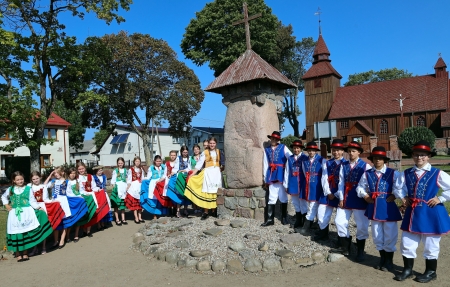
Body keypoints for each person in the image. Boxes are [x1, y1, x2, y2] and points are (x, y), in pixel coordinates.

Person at [394, 141, 450, 283]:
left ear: (428, 156)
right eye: (416, 155)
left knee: (431, 243)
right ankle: (408, 270)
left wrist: (441, 198)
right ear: (412, 156)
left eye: (423, 155)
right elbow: (397, 187)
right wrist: (403, 196)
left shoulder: (437, 173)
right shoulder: (406, 173)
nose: (419, 157)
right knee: (407, 241)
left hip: (430, 213)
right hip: (412, 212)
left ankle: (431, 272)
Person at [356, 146, 403, 272]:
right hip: (374, 206)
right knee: (377, 234)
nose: (377, 160)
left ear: (384, 160)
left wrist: (395, 195)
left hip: (388, 208)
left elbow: (401, 187)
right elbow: (360, 187)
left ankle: (389, 261)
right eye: (375, 158)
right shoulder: (367, 174)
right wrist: (365, 196)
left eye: (380, 158)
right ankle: (382, 258)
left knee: (390, 233)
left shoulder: (393, 173)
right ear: (372, 160)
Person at [331, 141, 371, 261]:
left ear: (359, 152)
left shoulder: (365, 166)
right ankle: (345, 246)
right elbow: (341, 182)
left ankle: (360, 251)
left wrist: (367, 196)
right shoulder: (344, 166)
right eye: (349, 151)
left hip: (359, 199)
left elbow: (369, 183)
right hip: (347, 197)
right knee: (339, 221)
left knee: (362, 226)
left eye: (353, 151)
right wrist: (341, 198)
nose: (351, 153)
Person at [2, 171, 53, 262]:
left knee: (26, 231)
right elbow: (3, 197)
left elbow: (32, 201)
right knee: (16, 232)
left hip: (26, 212)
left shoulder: (28, 189)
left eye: (21, 179)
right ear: (14, 180)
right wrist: (6, 205)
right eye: (18, 180)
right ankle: (18, 253)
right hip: (14, 214)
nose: (20, 181)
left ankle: (25, 252)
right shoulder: (10, 189)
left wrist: (38, 207)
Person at [45, 167, 88, 248]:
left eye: (57, 173)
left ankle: (62, 239)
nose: (56, 175)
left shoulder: (66, 182)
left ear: (62, 172)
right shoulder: (53, 181)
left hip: (63, 201)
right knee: (57, 221)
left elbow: (69, 193)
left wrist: (79, 197)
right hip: (55, 202)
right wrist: (51, 200)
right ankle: (55, 241)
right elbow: (47, 189)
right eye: (55, 173)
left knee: (65, 221)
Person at [185, 137, 225, 220]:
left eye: (213, 143)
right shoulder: (205, 152)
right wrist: (192, 174)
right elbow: (199, 165)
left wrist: (221, 168)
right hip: (208, 173)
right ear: (208, 144)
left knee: (215, 192)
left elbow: (222, 163)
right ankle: (206, 212)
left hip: (217, 174)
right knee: (207, 192)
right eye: (210, 143)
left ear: (216, 144)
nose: (212, 145)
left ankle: (214, 210)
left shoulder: (219, 152)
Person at [315, 139, 347, 241]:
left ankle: (341, 238)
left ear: (342, 151)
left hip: (340, 193)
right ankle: (323, 233)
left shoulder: (346, 164)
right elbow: (324, 178)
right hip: (327, 191)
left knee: (340, 218)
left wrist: (337, 194)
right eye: (334, 150)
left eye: (338, 150)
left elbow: (345, 182)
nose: (335, 152)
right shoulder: (327, 163)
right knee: (321, 213)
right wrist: (328, 192)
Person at [28, 171, 64, 255]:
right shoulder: (29, 187)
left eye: (37, 178)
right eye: (34, 179)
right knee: (35, 229)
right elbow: (30, 200)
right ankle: (35, 248)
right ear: (31, 180)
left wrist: (54, 201)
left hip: (43, 208)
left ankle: (44, 247)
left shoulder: (43, 187)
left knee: (43, 227)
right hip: (33, 209)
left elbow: (46, 199)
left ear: (40, 178)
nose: (36, 180)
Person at [262, 131, 292, 227]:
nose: (273, 140)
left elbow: (291, 158)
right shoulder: (267, 150)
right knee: (272, 197)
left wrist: (289, 171)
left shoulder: (283, 147)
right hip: (271, 175)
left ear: (278, 140)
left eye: (275, 139)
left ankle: (284, 217)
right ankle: (270, 219)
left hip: (281, 174)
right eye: (272, 139)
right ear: (270, 139)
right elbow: (265, 164)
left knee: (283, 196)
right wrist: (265, 178)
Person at [297, 141, 326, 236]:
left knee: (313, 205)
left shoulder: (322, 160)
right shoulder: (304, 161)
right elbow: (305, 173)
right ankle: (315, 225)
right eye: (309, 150)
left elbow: (325, 174)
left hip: (317, 185)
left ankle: (306, 228)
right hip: (308, 185)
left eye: (313, 151)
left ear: (316, 151)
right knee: (310, 204)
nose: (311, 152)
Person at [66, 167, 95, 243]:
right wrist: (78, 197)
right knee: (72, 218)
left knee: (80, 216)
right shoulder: (66, 182)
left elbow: (81, 190)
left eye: (74, 173)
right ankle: (68, 236)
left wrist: (87, 194)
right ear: (68, 174)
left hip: (79, 199)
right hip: (72, 200)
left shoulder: (77, 181)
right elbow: (68, 193)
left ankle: (79, 234)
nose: (72, 175)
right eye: (71, 173)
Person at [283, 139, 307, 229]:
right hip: (293, 182)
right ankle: (298, 219)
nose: (296, 150)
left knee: (303, 202)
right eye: (294, 148)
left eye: (298, 148)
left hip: (302, 182)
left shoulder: (304, 158)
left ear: (300, 148)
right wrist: (286, 184)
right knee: (295, 202)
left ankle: (305, 221)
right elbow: (287, 172)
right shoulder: (290, 158)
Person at [76, 162, 101, 237]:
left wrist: (98, 189)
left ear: (85, 168)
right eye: (79, 169)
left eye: (82, 168)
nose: (81, 170)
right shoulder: (76, 177)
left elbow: (93, 187)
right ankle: (84, 230)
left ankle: (88, 231)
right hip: (82, 197)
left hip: (90, 196)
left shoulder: (90, 176)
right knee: (84, 213)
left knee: (90, 212)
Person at [166, 147, 191, 217]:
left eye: (186, 152)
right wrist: (171, 173)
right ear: (181, 152)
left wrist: (184, 170)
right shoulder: (178, 158)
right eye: (184, 152)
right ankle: (178, 211)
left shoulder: (189, 158)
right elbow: (176, 168)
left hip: (186, 177)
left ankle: (185, 210)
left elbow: (190, 168)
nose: (185, 154)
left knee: (186, 194)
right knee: (179, 193)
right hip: (179, 178)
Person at [92, 165, 114, 230]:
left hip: (104, 193)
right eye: (99, 170)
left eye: (101, 170)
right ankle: (99, 224)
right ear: (96, 171)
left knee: (105, 207)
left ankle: (103, 223)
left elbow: (105, 185)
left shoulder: (104, 177)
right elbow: (93, 186)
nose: (100, 172)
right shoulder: (94, 177)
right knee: (99, 208)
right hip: (98, 194)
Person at [125, 156, 145, 224]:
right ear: (134, 162)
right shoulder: (131, 169)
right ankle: (136, 217)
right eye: (136, 161)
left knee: (140, 204)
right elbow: (129, 179)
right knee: (134, 203)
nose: (137, 162)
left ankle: (140, 217)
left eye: (138, 161)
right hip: (133, 187)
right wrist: (128, 186)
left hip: (139, 186)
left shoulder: (141, 169)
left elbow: (142, 178)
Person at [110, 157, 128, 225]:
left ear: (123, 163)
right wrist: (113, 185)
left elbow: (127, 179)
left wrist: (127, 187)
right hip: (117, 188)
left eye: (121, 163)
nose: (120, 164)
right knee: (116, 205)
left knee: (122, 205)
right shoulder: (115, 170)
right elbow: (113, 180)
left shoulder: (126, 170)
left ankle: (123, 219)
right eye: (119, 163)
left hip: (123, 188)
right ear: (117, 163)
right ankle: (117, 219)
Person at [190, 144, 202, 214]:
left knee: (200, 192)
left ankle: (200, 207)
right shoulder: (191, 158)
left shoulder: (202, 157)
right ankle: (195, 207)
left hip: (200, 175)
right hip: (194, 176)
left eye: (197, 149)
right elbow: (190, 166)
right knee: (194, 192)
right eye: (194, 149)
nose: (196, 150)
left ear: (199, 150)